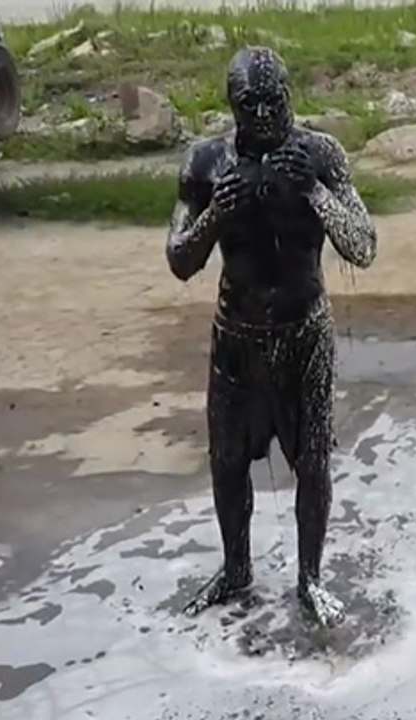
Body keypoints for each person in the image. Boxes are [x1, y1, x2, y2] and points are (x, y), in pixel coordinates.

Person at [164, 46, 377, 627]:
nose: (263, 115)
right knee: (227, 461)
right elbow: (180, 261)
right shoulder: (207, 162)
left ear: (291, 97)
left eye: (274, 102)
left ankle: (310, 577)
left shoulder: (321, 154)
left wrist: (314, 192)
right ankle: (236, 567)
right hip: (236, 335)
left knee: (312, 461)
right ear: (231, 105)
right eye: (249, 104)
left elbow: (363, 244)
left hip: (304, 331)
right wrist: (214, 216)